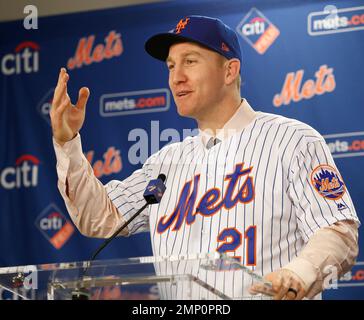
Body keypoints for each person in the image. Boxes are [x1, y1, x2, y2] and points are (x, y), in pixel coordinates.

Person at [51, 15, 360, 300]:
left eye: (190, 61)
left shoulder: (291, 141)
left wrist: (299, 274)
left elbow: (337, 230)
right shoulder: (165, 164)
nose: (176, 77)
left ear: (230, 70)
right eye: (171, 66)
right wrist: (67, 142)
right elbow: (99, 218)